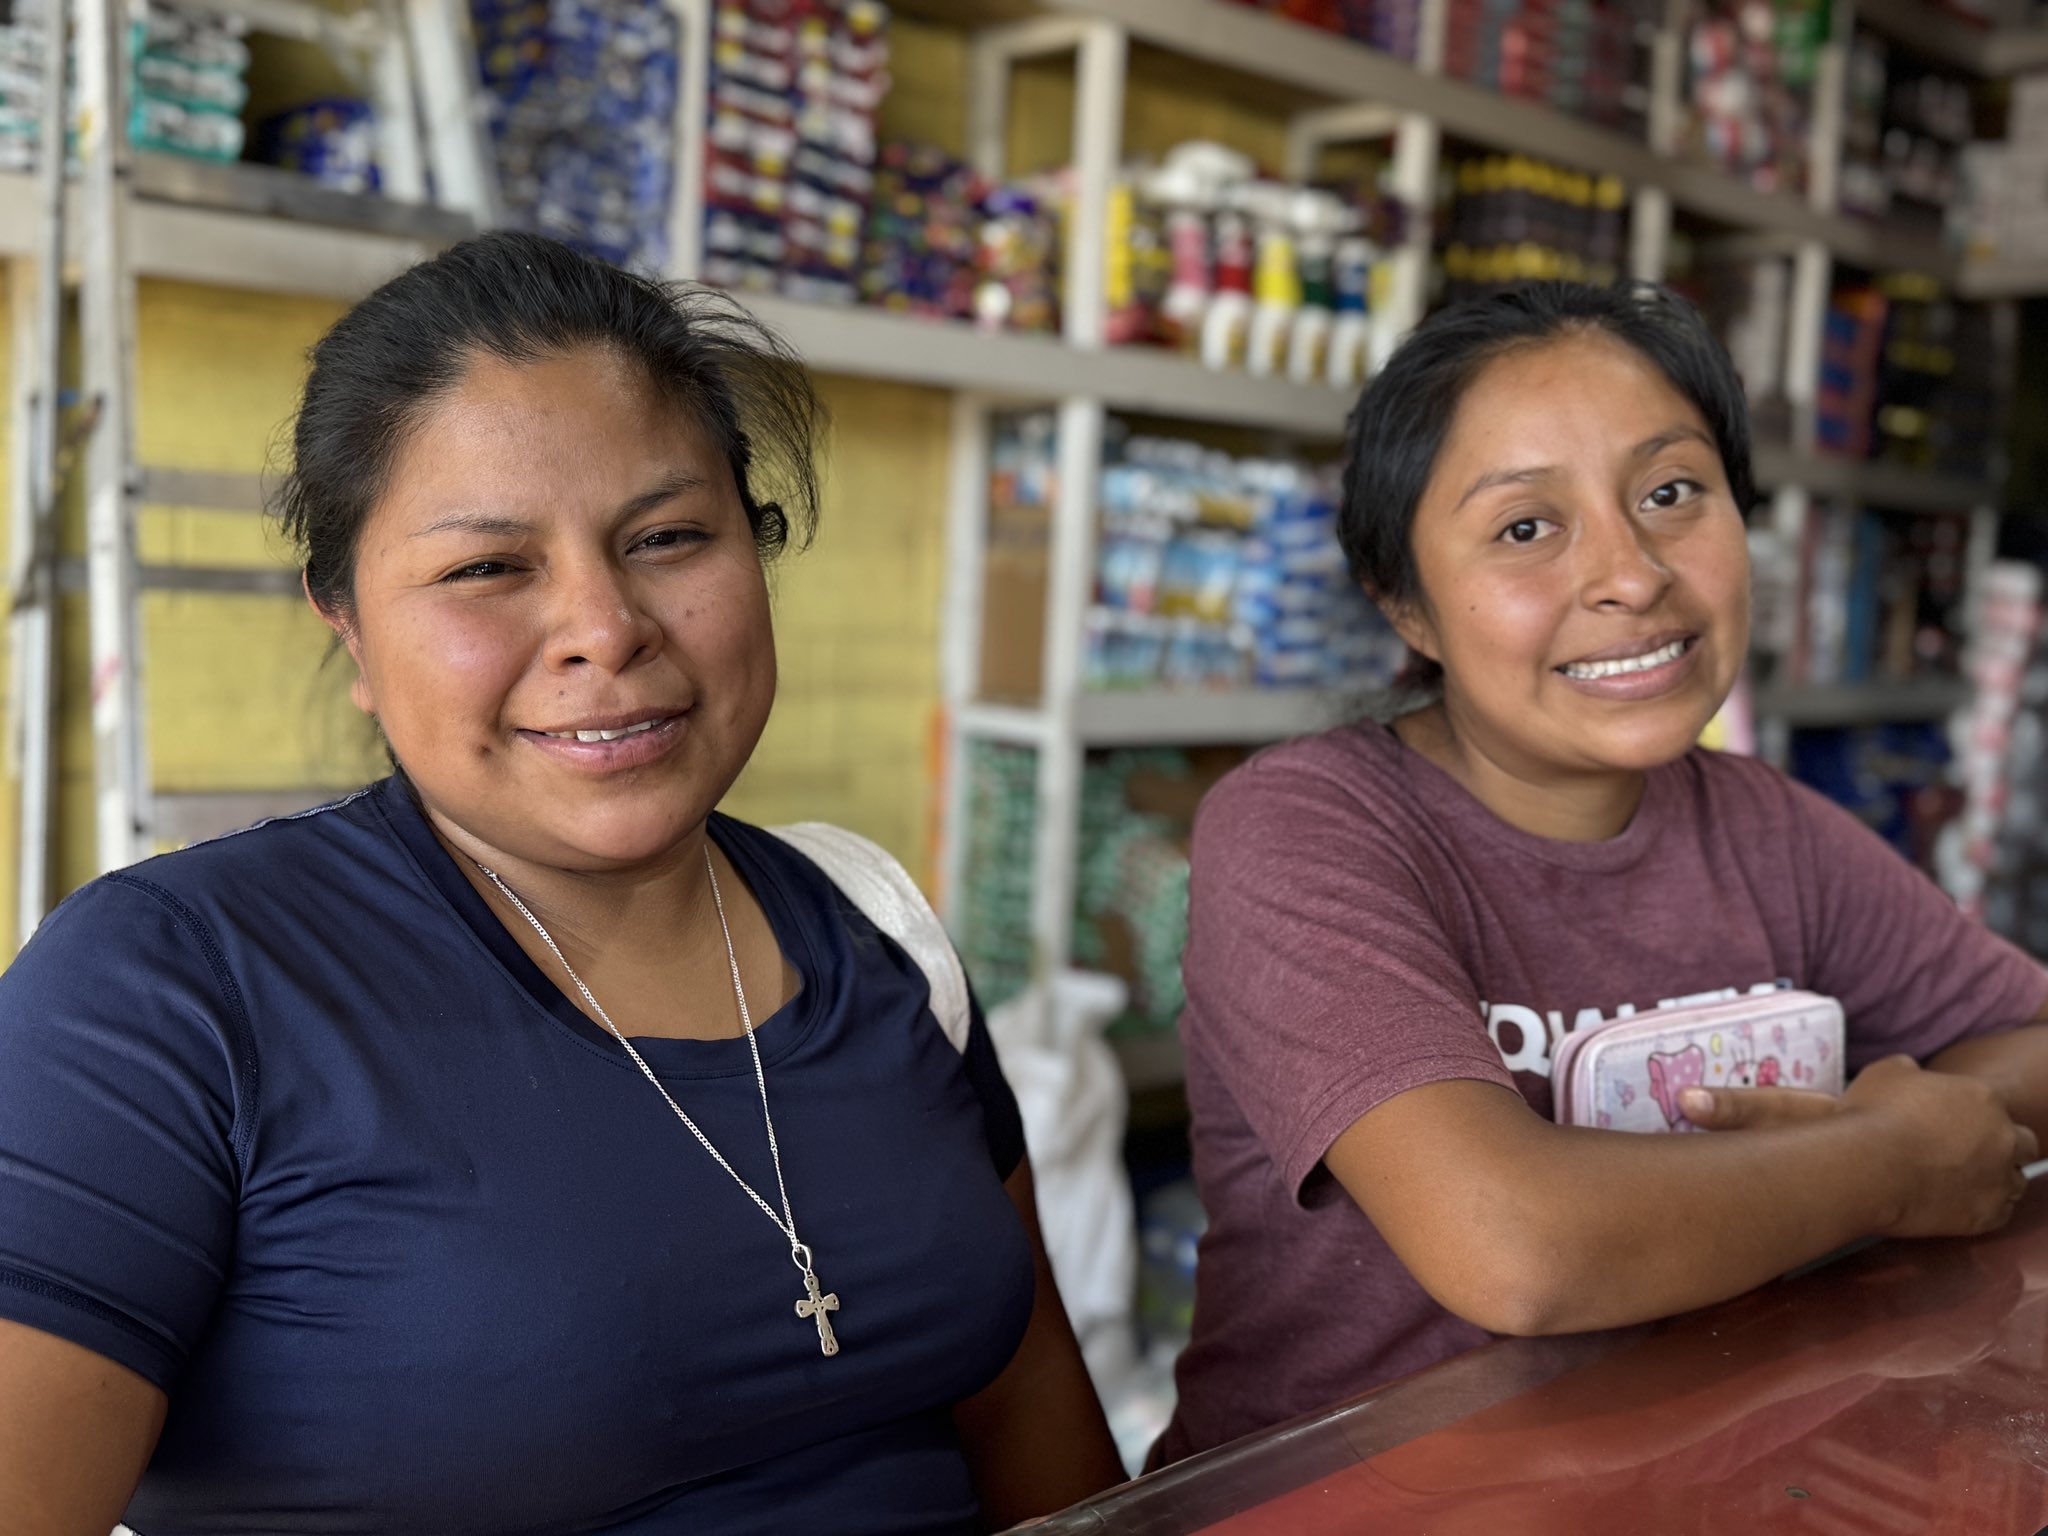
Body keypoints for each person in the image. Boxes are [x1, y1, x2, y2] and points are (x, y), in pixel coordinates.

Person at [0, 230, 1123, 1534]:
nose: (605, 628)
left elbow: (1041, 1452)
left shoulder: (874, 928)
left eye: (668, 537)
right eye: (488, 568)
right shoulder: (165, 993)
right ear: (348, 626)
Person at [1157, 280, 2048, 1464]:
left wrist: (1879, 1136)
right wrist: (1881, 1163)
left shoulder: (1761, 829)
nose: (1630, 574)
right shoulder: (1304, 827)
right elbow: (1513, 1250)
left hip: (1689, 1473)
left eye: (1671, 493)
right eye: (1525, 527)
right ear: (1405, 604)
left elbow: (2030, 1045)